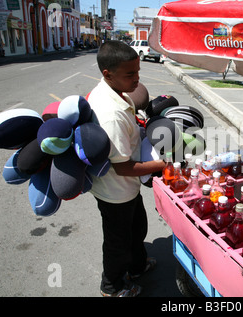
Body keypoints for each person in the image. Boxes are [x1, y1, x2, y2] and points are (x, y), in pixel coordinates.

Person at [87, 40, 166, 297]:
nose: (137, 79)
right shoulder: (110, 114)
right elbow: (124, 168)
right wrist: (164, 165)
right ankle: (111, 287)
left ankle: (137, 266)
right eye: (130, 74)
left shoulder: (116, 93)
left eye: (138, 71)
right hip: (116, 191)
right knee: (117, 242)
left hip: (127, 189)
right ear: (107, 74)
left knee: (137, 229)